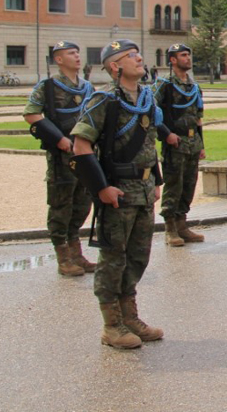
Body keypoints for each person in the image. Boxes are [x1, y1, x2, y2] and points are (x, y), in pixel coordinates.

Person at [69, 39, 164, 349]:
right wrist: (100, 188)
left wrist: (157, 180)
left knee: (138, 257)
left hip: (145, 191)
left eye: (138, 54)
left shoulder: (146, 98)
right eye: (131, 56)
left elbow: (150, 146)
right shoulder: (104, 100)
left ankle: (130, 316)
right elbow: (80, 146)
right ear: (115, 66)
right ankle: (112, 325)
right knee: (113, 259)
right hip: (118, 191)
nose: (139, 59)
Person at [24, 41, 96, 277]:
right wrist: (59, 140)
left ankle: (76, 252)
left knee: (82, 203)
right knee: (61, 205)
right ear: (58, 59)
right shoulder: (47, 87)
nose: (77, 56)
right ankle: (63, 257)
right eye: (71, 53)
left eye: (77, 52)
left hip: (85, 154)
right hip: (62, 156)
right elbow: (32, 114)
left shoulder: (87, 87)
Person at [152, 43, 206, 247]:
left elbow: (198, 117)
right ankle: (170, 228)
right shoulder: (164, 84)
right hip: (175, 142)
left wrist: (201, 144)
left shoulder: (193, 86)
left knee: (189, 184)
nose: (188, 58)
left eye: (188, 55)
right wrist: (166, 134)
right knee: (174, 185)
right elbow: (151, 109)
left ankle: (182, 224)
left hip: (192, 142)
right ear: (172, 60)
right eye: (183, 55)